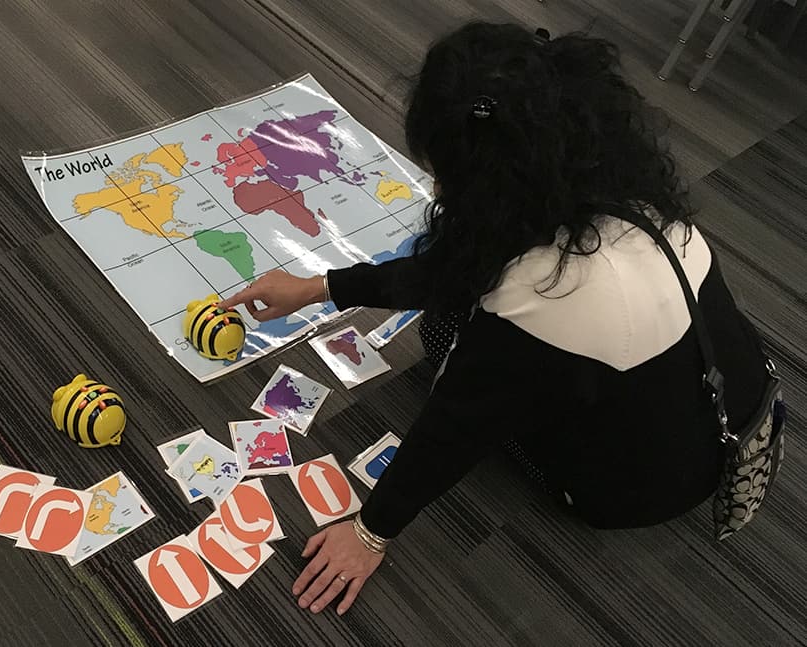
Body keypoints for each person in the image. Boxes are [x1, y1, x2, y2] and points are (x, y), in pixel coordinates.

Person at [221, 22, 770, 616]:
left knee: (443, 336)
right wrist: (317, 287)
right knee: (469, 318)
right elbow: (455, 269)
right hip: (724, 416)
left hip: (635, 492)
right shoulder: (625, 198)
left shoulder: (547, 296)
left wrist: (369, 533)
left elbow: (453, 428)